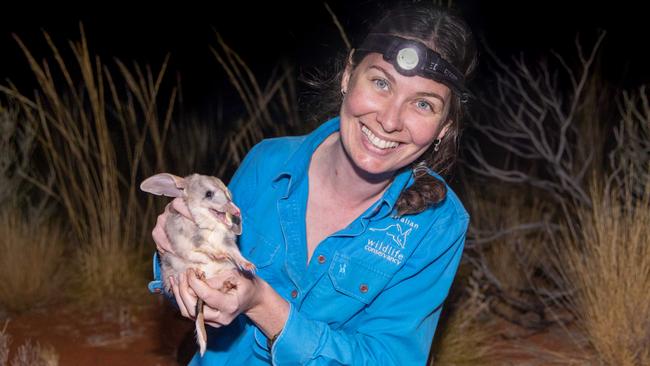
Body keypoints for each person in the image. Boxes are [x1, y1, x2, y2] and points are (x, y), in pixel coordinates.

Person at [149, 2, 477, 364]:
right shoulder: (268, 162)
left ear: (444, 128)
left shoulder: (438, 222)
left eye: (424, 105)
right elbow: (193, 283)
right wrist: (174, 252)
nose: (389, 120)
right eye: (381, 82)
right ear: (348, 75)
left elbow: (389, 357)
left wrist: (262, 303)